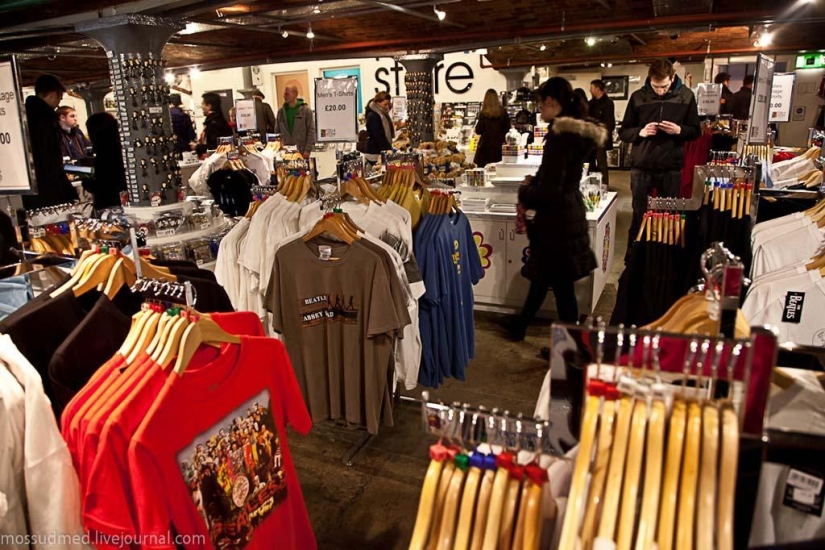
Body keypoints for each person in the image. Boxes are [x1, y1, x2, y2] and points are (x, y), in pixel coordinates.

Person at [506, 77, 604, 341]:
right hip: (567, 215)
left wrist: (526, 191)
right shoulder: (575, 133)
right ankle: (521, 327)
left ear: (550, 102)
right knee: (548, 279)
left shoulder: (560, 136)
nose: (540, 110)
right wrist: (538, 181)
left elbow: (550, 190)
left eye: (541, 104)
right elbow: (556, 177)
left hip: (556, 221)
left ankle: (569, 347)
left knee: (559, 286)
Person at [619, 59, 700, 251]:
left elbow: (696, 131)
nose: (660, 91)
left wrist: (679, 130)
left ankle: (664, 254)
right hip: (641, 166)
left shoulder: (686, 96)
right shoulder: (638, 96)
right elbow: (624, 132)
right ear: (649, 80)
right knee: (639, 213)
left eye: (663, 87)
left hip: (671, 166)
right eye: (656, 87)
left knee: (668, 213)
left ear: (672, 78)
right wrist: (640, 132)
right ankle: (634, 255)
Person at [23, 74, 77, 210]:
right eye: (59, 97)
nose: (59, 102)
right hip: (50, 189)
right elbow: (50, 157)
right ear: (53, 94)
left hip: (32, 190)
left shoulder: (24, 115)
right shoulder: (45, 119)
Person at [83, 112, 127, 211]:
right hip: (123, 198)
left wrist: (87, 182)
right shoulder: (121, 145)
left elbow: (103, 184)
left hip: (109, 204)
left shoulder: (102, 152)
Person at [588, 79, 616, 188]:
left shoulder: (608, 103)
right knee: (590, 161)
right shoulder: (590, 103)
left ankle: (604, 184)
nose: (590, 90)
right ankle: (590, 183)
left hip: (601, 138)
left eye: (591, 88)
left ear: (597, 89)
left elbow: (610, 123)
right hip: (590, 137)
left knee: (601, 162)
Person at [473, 89, 511, 167]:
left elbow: (478, 130)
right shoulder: (503, 112)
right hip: (499, 149)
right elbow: (508, 129)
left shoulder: (483, 113)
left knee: (483, 175)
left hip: (485, 150)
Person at [275, 85, 315, 159]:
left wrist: (307, 150)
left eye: (287, 94)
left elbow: (311, 131)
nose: (284, 96)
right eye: (284, 94)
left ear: (295, 94)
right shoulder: (280, 112)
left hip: (301, 151)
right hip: (285, 152)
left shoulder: (306, 111)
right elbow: (277, 132)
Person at [363, 91, 394, 167]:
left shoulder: (381, 113)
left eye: (388, 104)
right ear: (377, 102)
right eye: (385, 104)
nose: (387, 107)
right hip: (374, 152)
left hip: (379, 150)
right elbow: (379, 136)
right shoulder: (373, 116)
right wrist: (388, 150)